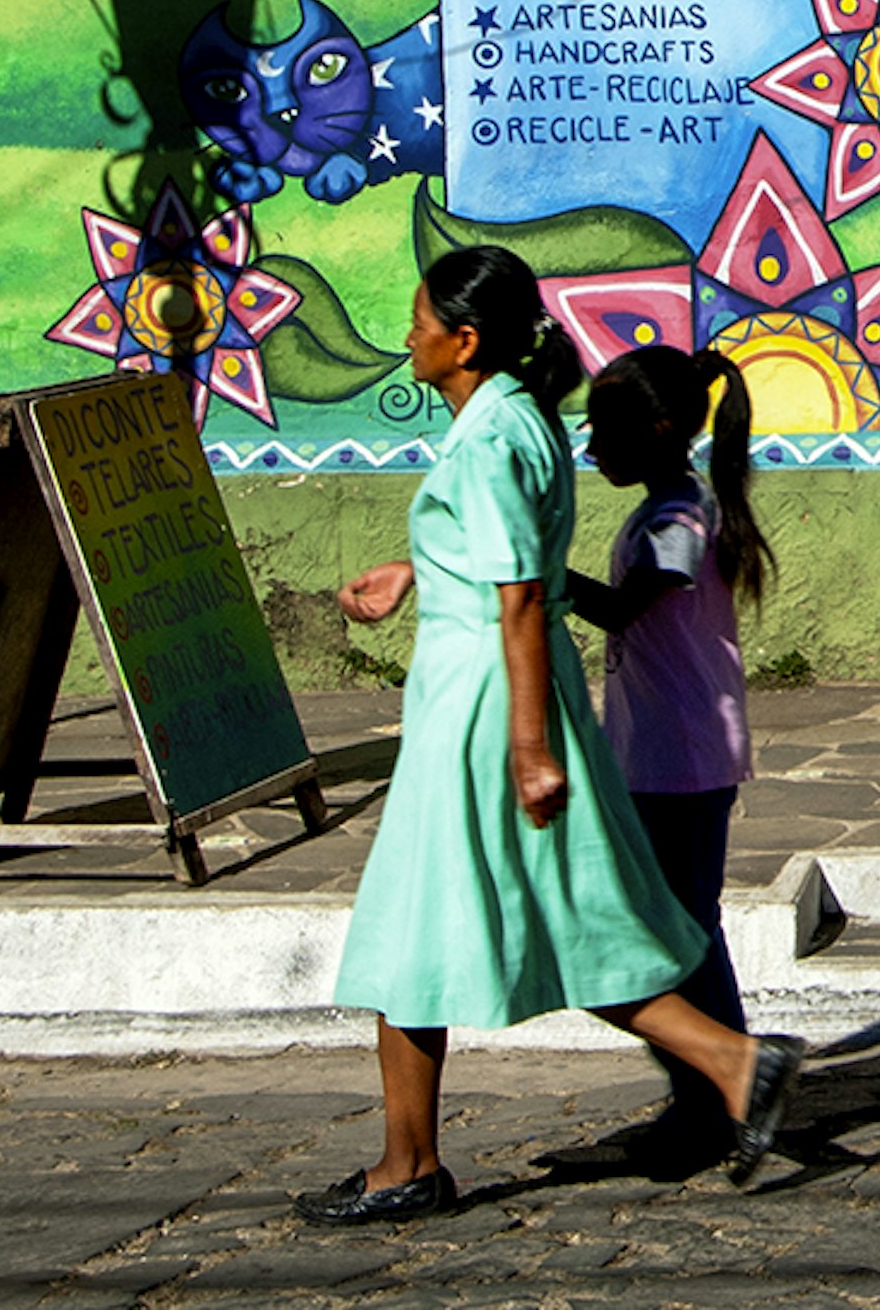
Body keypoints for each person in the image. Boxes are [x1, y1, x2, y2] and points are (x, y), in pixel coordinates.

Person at [306, 246, 804, 1223]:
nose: (406, 335)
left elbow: (525, 595)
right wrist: (418, 569)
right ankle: (735, 1064)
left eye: (419, 321)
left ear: (465, 340)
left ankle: (409, 1161)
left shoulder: (495, 440)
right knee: (564, 920)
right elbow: (502, 562)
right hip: (488, 701)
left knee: (427, 927)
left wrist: (530, 747)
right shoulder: (512, 425)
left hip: (482, 714)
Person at [565, 343, 774, 1165]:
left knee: (686, 930)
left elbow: (623, 609)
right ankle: (717, 1087)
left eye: (605, 433)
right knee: (684, 926)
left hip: (680, 758)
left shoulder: (678, 521)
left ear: (658, 430)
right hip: (663, 750)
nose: (591, 448)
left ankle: (722, 1093)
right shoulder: (670, 504)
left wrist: (531, 570)